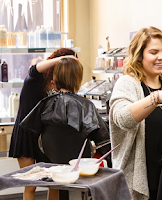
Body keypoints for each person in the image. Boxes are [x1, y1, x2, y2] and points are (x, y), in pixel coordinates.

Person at [109, 26, 162, 200]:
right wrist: (156, 98)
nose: (161, 57)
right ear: (139, 55)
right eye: (154, 52)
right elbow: (123, 119)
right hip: (142, 181)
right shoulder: (127, 84)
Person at [20, 57, 110, 199]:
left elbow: (38, 136)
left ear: (53, 82)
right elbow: (104, 141)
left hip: (53, 162)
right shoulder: (86, 106)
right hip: (80, 166)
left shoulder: (44, 104)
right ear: (79, 82)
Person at [9, 48, 79, 200]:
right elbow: (35, 68)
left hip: (43, 138)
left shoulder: (55, 85)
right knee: (31, 183)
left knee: (54, 181)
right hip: (25, 135)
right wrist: (66, 57)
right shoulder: (34, 79)